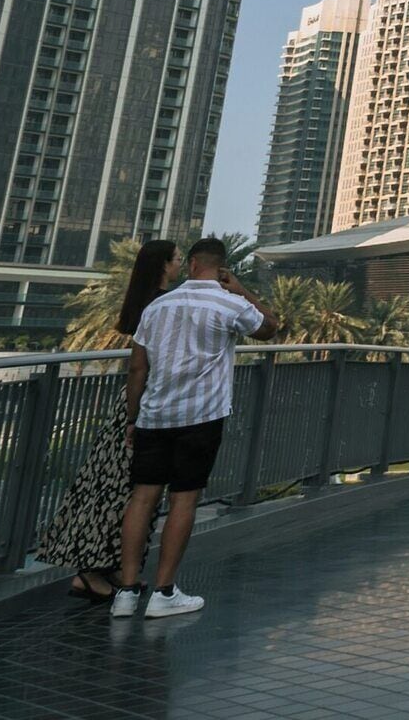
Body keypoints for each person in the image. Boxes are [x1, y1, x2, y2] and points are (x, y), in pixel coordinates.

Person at [114, 236, 278, 619]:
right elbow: (270, 327)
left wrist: (133, 418)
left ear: (191, 264)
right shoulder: (229, 303)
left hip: (154, 415)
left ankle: (126, 591)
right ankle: (163, 592)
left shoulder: (157, 306)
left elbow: (137, 368)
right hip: (201, 417)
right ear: (221, 268)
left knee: (142, 498)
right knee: (183, 501)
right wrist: (242, 290)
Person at [39, 237, 175, 603]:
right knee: (121, 489)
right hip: (143, 405)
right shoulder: (162, 304)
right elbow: (140, 365)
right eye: (176, 259)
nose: (180, 264)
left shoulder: (145, 301)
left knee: (119, 485)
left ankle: (111, 565)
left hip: (135, 403)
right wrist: (133, 416)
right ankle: (88, 570)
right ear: (164, 264)